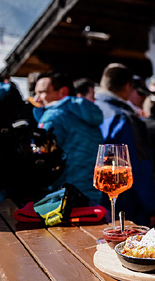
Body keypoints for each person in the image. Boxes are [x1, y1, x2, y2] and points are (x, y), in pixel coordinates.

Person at [94, 63, 155, 226]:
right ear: (128, 86)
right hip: (127, 206)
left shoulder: (90, 111)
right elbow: (138, 166)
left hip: (94, 203)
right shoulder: (124, 119)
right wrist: (151, 207)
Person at [32, 72, 104, 204]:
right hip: (93, 190)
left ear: (62, 92)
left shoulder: (54, 116)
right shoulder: (85, 113)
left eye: (42, 92)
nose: (37, 99)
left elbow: (41, 159)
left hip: (64, 194)